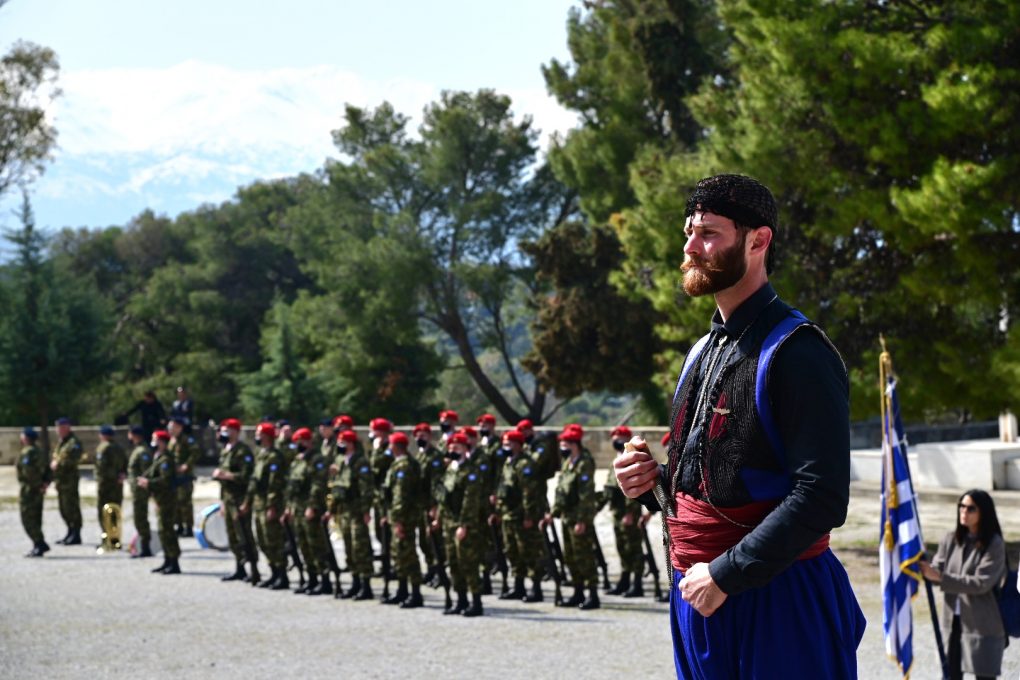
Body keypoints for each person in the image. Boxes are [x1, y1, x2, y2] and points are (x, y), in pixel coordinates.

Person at [613, 174, 864, 678]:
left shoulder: (799, 352)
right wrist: (649, 482)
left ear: (758, 240)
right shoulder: (701, 352)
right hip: (698, 592)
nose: (690, 248)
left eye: (709, 233)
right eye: (689, 232)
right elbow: (714, 485)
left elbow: (821, 496)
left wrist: (727, 573)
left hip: (778, 600)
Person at [920, 490, 1006, 680]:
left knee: (985, 675)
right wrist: (922, 566)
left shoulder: (994, 544)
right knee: (949, 675)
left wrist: (940, 577)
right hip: (952, 622)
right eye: (961, 506)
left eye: (971, 508)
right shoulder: (950, 539)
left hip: (982, 623)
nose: (964, 511)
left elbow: (981, 583)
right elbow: (937, 569)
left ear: (984, 512)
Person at [546, 425, 600, 610]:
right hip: (567, 518)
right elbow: (561, 491)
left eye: (565, 444)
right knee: (570, 557)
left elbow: (586, 495)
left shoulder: (584, 463)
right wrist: (553, 513)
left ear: (574, 444)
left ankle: (593, 594)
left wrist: (582, 520)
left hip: (579, 519)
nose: (562, 447)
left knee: (584, 557)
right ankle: (578, 592)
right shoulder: (567, 462)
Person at [435, 432, 486, 616]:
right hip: (449, 523)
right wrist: (439, 519)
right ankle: (461, 599)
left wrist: (464, 525)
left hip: (464, 524)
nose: (452, 450)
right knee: (453, 563)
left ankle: (476, 601)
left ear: (465, 449)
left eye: (456, 447)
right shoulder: (451, 469)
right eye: (450, 447)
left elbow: (470, 501)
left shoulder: (471, 471)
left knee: (468, 562)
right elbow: (443, 497)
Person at [492, 429, 545, 602]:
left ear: (517, 445)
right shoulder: (508, 463)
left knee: (528, 551)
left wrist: (529, 516)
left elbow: (528, 493)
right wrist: (498, 511)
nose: (505, 447)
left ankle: (536, 588)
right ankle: (518, 586)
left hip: (521, 516)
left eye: (508, 444)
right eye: (504, 443)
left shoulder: (525, 464)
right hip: (508, 516)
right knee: (512, 551)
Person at [327, 428, 375, 600]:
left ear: (351, 444)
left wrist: (366, 510)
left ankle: (366, 584)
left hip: (356, 510)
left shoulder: (360, 462)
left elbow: (366, 489)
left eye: (344, 442)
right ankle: (355, 582)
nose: (340, 445)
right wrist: (332, 510)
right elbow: (335, 487)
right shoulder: (340, 461)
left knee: (359, 546)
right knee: (348, 547)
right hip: (344, 510)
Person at [212, 418, 259, 584]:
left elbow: (247, 477)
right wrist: (222, 502)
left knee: (244, 535)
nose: (224, 433)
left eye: (228, 430)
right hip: (228, 499)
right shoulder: (226, 450)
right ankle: (240, 567)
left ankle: (254, 569)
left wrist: (226, 475)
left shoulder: (242, 451)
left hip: (240, 498)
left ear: (236, 432)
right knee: (232, 536)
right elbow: (223, 482)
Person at [284, 427, 330, 595]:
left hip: (310, 508)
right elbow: (291, 487)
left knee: (316, 545)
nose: (298, 445)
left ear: (308, 442)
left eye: (301, 442)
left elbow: (318, 486)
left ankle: (324, 579)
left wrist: (312, 506)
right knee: (303, 545)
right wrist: (289, 507)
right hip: (297, 508)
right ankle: (311, 578)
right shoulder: (298, 461)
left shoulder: (317, 460)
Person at [381, 431, 425, 608]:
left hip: (405, 517)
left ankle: (415, 593)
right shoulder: (400, 463)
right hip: (399, 516)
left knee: (408, 554)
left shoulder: (404, 466)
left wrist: (398, 519)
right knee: (398, 554)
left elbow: (400, 495)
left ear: (395, 446)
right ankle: (402, 590)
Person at [602, 425, 645, 597]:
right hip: (617, 512)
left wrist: (631, 513)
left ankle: (637, 584)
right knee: (622, 547)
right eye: (615, 439)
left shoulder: (631, 458)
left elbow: (635, 488)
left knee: (634, 547)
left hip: (629, 513)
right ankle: (625, 580)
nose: (617, 442)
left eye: (620, 439)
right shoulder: (616, 459)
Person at [244, 422, 288, 590]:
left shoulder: (275, 457)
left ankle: (282, 574)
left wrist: (272, 506)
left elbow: (274, 484)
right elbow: (253, 481)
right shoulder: (260, 454)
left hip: (270, 505)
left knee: (274, 540)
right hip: (258, 503)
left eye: (259, 433)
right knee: (263, 540)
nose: (256, 436)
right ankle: (273, 572)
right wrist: (247, 502)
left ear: (267, 436)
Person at [136, 430, 181, 574]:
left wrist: (148, 483)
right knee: (162, 531)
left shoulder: (166, 459)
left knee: (167, 530)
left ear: (162, 442)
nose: (153, 442)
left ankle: (174, 562)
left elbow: (165, 480)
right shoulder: (158, 457)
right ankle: (167, 560)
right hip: (160, 498)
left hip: (167, 499)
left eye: (155, 439)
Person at [50, 417, 84, 545]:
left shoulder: (73, 442)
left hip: (70, 480)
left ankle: (76, 534)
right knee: (64, 508)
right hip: (61, 480)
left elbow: (74, 459)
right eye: (57, 428)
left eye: (61, 428)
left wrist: (58, 464)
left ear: (67, 428)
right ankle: (69, 532)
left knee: (72, 507)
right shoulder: (62, 442)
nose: (58, 430)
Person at [17, 427, 50, 557]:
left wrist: (38, 485)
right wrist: (45, 483)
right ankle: (38, 544)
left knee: (27, 517)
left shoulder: (28, 452)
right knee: (36, 517)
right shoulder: (39, 451)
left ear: (26, 438)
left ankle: (39, 543)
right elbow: (48, 469)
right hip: (38, 489)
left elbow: (29, 472)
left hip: (30, 490)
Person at [93, 425, 127, 539]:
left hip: (106, 484)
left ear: (103, 435)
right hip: (117, 484)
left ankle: (107, 538)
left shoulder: (103, 448)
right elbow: (125, 465)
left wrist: (99, 479)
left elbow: (100, 467)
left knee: (104, 511)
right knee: (115, 510)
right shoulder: (120, 448)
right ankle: (115, 538)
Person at [126, 426, 154, 558]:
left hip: (141, 491)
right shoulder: (138, 449)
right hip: (137, 490)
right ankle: (143, 546)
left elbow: (146, 472)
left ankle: (145, 547)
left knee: (140, 518)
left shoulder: (142, 451)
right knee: (139, 518)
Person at [168, 417, 198, 537]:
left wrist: (187, 465)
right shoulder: (171, 440)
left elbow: (195, 452)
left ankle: (188, 527)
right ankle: (179, 526)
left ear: (179, 427)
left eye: (172, 427)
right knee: (175, 502)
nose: (170, 429)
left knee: (185, 502)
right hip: (174, 476)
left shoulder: (187, 440)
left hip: (185, 476)